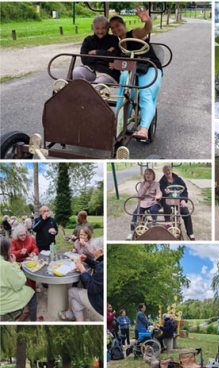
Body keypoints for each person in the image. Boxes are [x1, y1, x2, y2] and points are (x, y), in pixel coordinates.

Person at [110, 8, 162, 141]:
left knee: (145, 93)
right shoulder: (117, 44)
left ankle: (144, 129)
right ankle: (119, 121)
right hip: (131, 70)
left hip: (149, 66)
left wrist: (147, 20)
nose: (116, 30)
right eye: (112, 28)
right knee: (124, 91)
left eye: (118, 26)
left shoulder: (134, 33)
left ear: (123, 25)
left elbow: (147, 29)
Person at [59, 247, 103, 322]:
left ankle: (69, 313)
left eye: (95, 249)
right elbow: (98, 265)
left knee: (71, 291)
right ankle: (77, 320)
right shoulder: (103, 263)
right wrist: (87, 260)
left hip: (99, 303)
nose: (94, 250)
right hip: (100, 299)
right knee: (75, 302)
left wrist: (82, 270)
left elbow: (92, 288)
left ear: (101, 251)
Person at [72, 15, 120, 85]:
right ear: (93, 28)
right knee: (77, 72)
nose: (100, 31)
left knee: (97, 84)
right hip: (91, 69)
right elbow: (85, 60)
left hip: (108, 72)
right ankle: (80, 94)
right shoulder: (88, 40)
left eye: (103, 28)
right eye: (97, 28)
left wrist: (96, 52)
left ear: (107, 28)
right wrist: (105, 54)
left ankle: (88, 94)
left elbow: (113, 59)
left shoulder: (113, 39)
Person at [0, 237, 37, 321]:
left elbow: (35, 247)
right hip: (4, 301)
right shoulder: (6, 266)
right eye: (10, 248)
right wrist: (14, 264)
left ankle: (25, 313)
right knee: (32, 293)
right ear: (5, 249)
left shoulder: (30, 239)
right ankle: (33, 320)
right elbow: (19, 284)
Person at [159, 165, 195, 240]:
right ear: (163, 172)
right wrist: (164, 192)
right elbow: (160, 192)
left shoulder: (178, 179)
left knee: (186, 212)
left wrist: (183, 200)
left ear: (171, 170)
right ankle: (168, 222)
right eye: (165, 171)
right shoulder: (162, 181)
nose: (167, 172)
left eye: (168, 170)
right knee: (167, 201)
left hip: (179, 200)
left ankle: (190, 233)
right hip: (168, 200)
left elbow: (185, 190)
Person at [127, 168, 162, 240]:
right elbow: (139, 195)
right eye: (146, 174)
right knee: (135, 213)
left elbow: (159, 192)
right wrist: (145, 187)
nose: (148, 175)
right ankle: (132, 231)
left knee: (153, 209)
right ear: (144, 176)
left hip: (152, 202)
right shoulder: (142, 184)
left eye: (150, 174)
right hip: (143, 202)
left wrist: (158, 196)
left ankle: (154, 222)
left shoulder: (156, 184)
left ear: (153, 175)